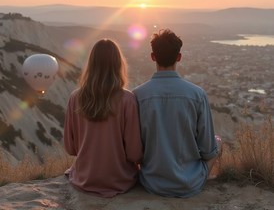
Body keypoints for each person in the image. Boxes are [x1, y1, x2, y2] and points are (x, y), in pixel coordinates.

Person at [133, 29, 219, 198]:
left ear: (153, 57)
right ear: (179, 57)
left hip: (151, 182)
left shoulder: (137, 95)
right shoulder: (197, 94)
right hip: (190, 183)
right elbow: (208, 150)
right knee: (218, 144)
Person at [64, 39, 143, 198]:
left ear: (91, 64)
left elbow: (70, 148)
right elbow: (134, 154)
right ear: (118, 64)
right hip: (120, 180)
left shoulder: (75, 97)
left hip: (84, 179)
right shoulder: (127, 99)